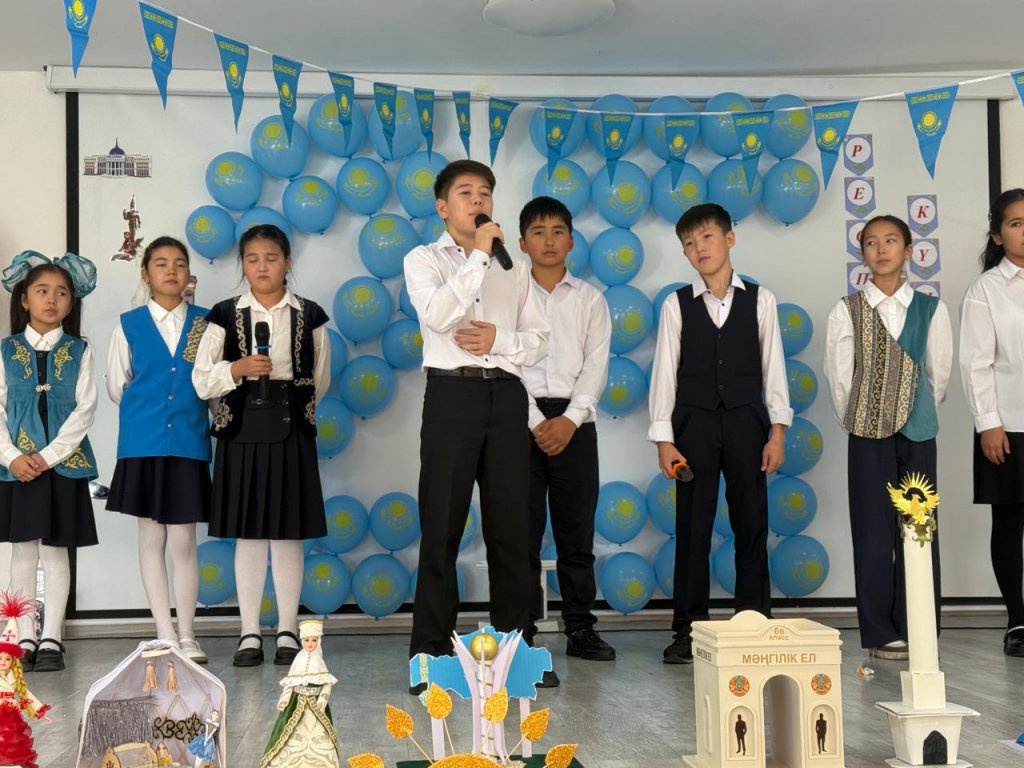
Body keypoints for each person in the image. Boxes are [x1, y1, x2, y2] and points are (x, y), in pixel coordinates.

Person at [404, 160, 548, 691]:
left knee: (512, 529)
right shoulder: (423, 259)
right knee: (441, 526)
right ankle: (431, 656)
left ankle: (516, 655)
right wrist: (480, 257)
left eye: (485, 192)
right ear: (443, 207)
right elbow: (440, 316)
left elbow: (539, 340)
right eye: (466, 193)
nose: (478, 200)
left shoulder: (516, 266)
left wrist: (498, 341)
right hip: (452, 395)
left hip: (506, 396)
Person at [648, 203, 791, 664]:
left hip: (748, 421)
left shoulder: (761, 300)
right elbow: (664, 374)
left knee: (752, 522)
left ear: (729, 239)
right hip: (694, 423)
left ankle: (755, 622)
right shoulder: (676, 304)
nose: (699, 249)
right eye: (689, 244)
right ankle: (687, 629)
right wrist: (664, 439)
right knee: (692, 526)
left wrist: (777, 431)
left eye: (707, 237)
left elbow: (774, 368)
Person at [193, 224, 330, 667]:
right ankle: (249, 632)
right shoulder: (222, 314)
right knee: (249, 533)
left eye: (271, 258)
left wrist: (293, 401)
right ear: (243, 265)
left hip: (291, 425)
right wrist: (237, 370)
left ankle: (288, 629)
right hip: (242, 427)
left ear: (287, 262)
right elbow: (201, 379)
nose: (262, 266)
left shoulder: (310, 314)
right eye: (252, 259)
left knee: (287, 533)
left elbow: (320, 379)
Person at [825, 215, 951, 660]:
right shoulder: (847, 309)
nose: (881, 250)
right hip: (867, 432)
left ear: (908, 250)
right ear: (862, 254)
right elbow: (840, 378)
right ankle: (880, 630)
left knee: (919, 528)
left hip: (918, 431)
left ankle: (919, 625)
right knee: (872, 530)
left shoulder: (931, 309)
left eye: (891, 241)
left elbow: (938, 375)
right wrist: (862, 419)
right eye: (871, 243)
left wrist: (915, 412)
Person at [518, 196, 613, 688]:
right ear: (522, 243)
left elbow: (596, 365)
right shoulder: (508, 295)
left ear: (572, 241)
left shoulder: (591, 299)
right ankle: (522, 634)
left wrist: (570, 420)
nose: (549, 240)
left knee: (577, 532)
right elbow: (504, 361)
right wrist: (537, 421)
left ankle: (580, 628)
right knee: (522, 533)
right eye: (538, 231)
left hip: (576, 424)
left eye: (558, 231)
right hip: (520, 420)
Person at [106, 237, 211, 663]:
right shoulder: (128, 324)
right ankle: (164, 632)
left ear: (189, 274)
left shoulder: (204, 324)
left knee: (184, 539)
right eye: (161, 263)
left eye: (179, 264)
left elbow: (211, 382)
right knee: (151, 536)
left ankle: (188, 633)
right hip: (143, 444)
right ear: (146, 273)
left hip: (188, 441)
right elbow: (118, 385)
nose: (171, 270)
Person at [0, 251, 99, 672]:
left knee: (57, 551)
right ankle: (23, 638)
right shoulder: (6, 350)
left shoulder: (79, 350)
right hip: (16, 468)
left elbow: (85, 410)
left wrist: (47, 455)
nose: (52, 300)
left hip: (63, 465)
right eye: (42, 291)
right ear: (24, 299)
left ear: (71, 303)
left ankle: (53, 638)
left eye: (61, 293)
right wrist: (11, 457)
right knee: (22, 552)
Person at [960, 188, 1024, 658]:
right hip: (1010, 423)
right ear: (998, 236)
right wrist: (988, 423)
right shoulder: (986, 289)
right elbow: (975, 362)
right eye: (1016, 223)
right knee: (1009, 523)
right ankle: (1018, 620)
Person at [260, 619, 339, 767]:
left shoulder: (319, 661)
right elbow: (291, 682)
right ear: (302, 640)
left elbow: (327, 683)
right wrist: (285, 698)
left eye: (314, 640)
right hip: (296, 702)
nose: (310, 644)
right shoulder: (299, 659)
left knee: (319, 733)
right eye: (307, 640)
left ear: (319, 641)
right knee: (290, 732)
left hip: (316, 704)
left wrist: (323, 698)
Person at [0, 591, 51, 768]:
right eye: (0, 658)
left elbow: (26, 695)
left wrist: (40, 711)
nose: (3, 662)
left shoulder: (14, 679)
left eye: (7, 659)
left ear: (13, 662)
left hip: (10, 714)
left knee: (11, 741)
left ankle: (10, 763)